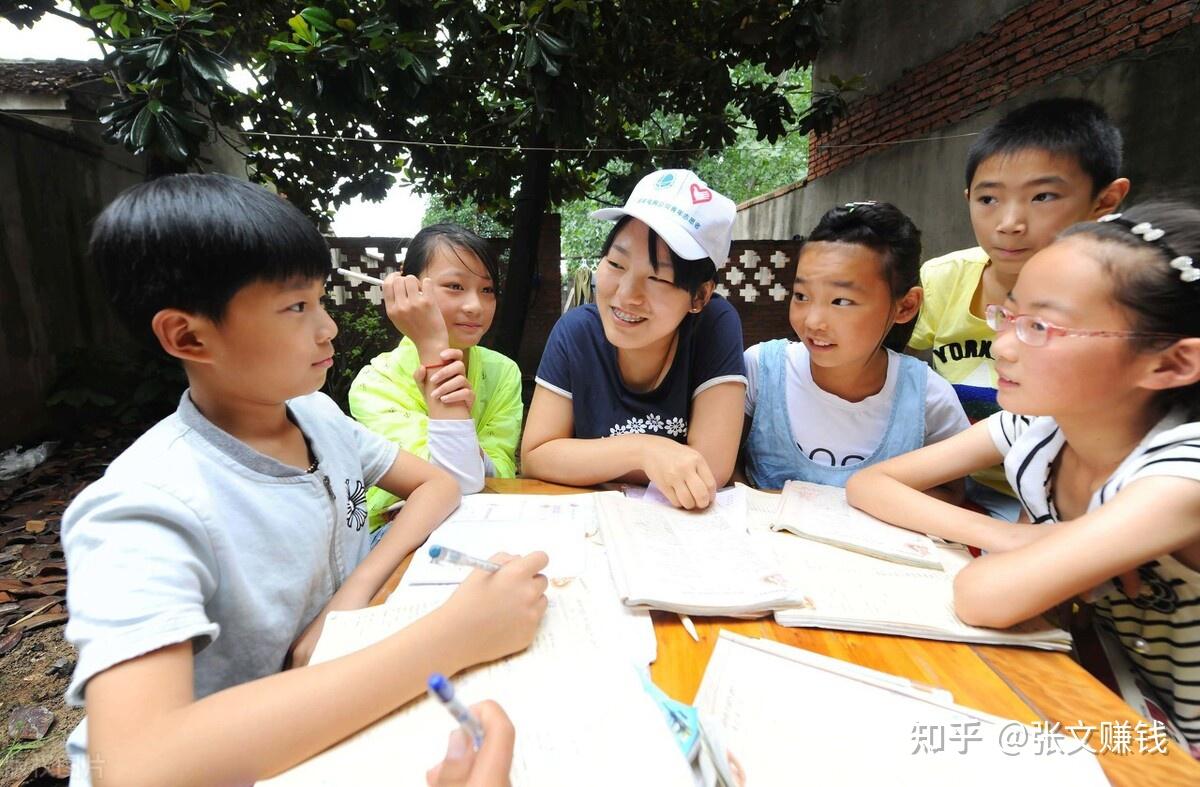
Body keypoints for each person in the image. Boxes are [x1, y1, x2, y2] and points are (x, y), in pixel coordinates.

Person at [62, 174, 548, 785]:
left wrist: (349, 598)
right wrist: (451, 636)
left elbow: (441, 485)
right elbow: (134, 767)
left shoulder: (315, 416)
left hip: (331, 722)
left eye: (321, 301)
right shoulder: (141, 507)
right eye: (297, 307)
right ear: (187, 335)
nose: (329, 329)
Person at [849, 203, 1200, 745]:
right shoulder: (1036, 426)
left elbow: (985, 596)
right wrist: (1012, 535)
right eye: (1007, 315)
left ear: (1170, 364)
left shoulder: (1183, 471)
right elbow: (870, 483)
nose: (1003, 345)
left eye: (1040, 326)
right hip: (1109, 694)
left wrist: (1033, 555)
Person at [908, 97, 1130, 519]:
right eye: (989, 199)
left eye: (1042, 196)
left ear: (1105, 200)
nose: (1009, 222)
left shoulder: (1126, 308)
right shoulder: (942, 279)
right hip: (959, 482)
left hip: (1077, 507)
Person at [521, 170, 747, 509]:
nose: (626, 295)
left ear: (699, 296)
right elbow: (536, 456)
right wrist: (645, 450)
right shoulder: (576, 333)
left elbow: (710, 470)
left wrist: (585, 461)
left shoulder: (714, 325)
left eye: (658, 278)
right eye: (616, 263)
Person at [742, 202, 968, 493]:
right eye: (801, 295)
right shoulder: (761, 372)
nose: (813, 321)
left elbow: (951, 493)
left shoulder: (928, 399)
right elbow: (726, 473)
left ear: (906, 306)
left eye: (842, 301)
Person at [350, 224, 522, 531]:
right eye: (455, 286)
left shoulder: (503, 371)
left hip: (486, 521)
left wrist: (474, 457)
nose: (475, 306)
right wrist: (433, 349)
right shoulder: (375, 383)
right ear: (409, 286)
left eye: (487, 290)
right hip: (399, 537)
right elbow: (452, 482)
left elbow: (502, 470)